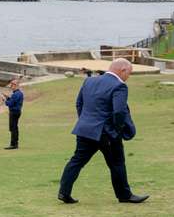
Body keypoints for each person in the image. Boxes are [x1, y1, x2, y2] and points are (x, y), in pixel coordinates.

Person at [57, 58, 149, 204]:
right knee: (117, 163)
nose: (128, 77)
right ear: (122, 70)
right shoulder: (119, 86)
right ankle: (124, 195)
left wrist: (85, 121)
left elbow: (79, 104)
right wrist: (116, 130)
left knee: (77, 161)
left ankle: (64, 192)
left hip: (85, 130)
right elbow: (119, 112)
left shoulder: (89, 81)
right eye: (129, 73)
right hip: (106, 133)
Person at [2, 79, 24, 150]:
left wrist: (5, 100)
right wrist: (8, 97)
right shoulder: (18, 93)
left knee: (13, 128)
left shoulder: (16, 94)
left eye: (12, 85)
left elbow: (10, 104)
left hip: (14, 112)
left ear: (16, 85)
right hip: (16, 112)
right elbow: (12, 101)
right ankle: (15, 143)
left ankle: (13, 144)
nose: (11, 86)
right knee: (14, 128)